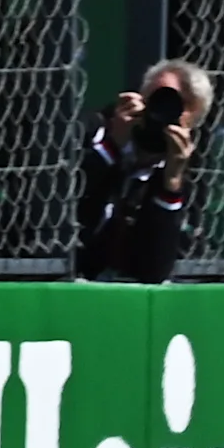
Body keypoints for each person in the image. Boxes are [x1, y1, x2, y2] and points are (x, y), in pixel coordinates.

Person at [78, 59, 210, 284]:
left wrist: (171, 181)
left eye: (177, 109)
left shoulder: (188, 176)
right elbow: (64, 207)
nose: (164, 114)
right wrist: (111, 147)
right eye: (159, 101)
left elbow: (155, 270)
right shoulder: (86, 133)